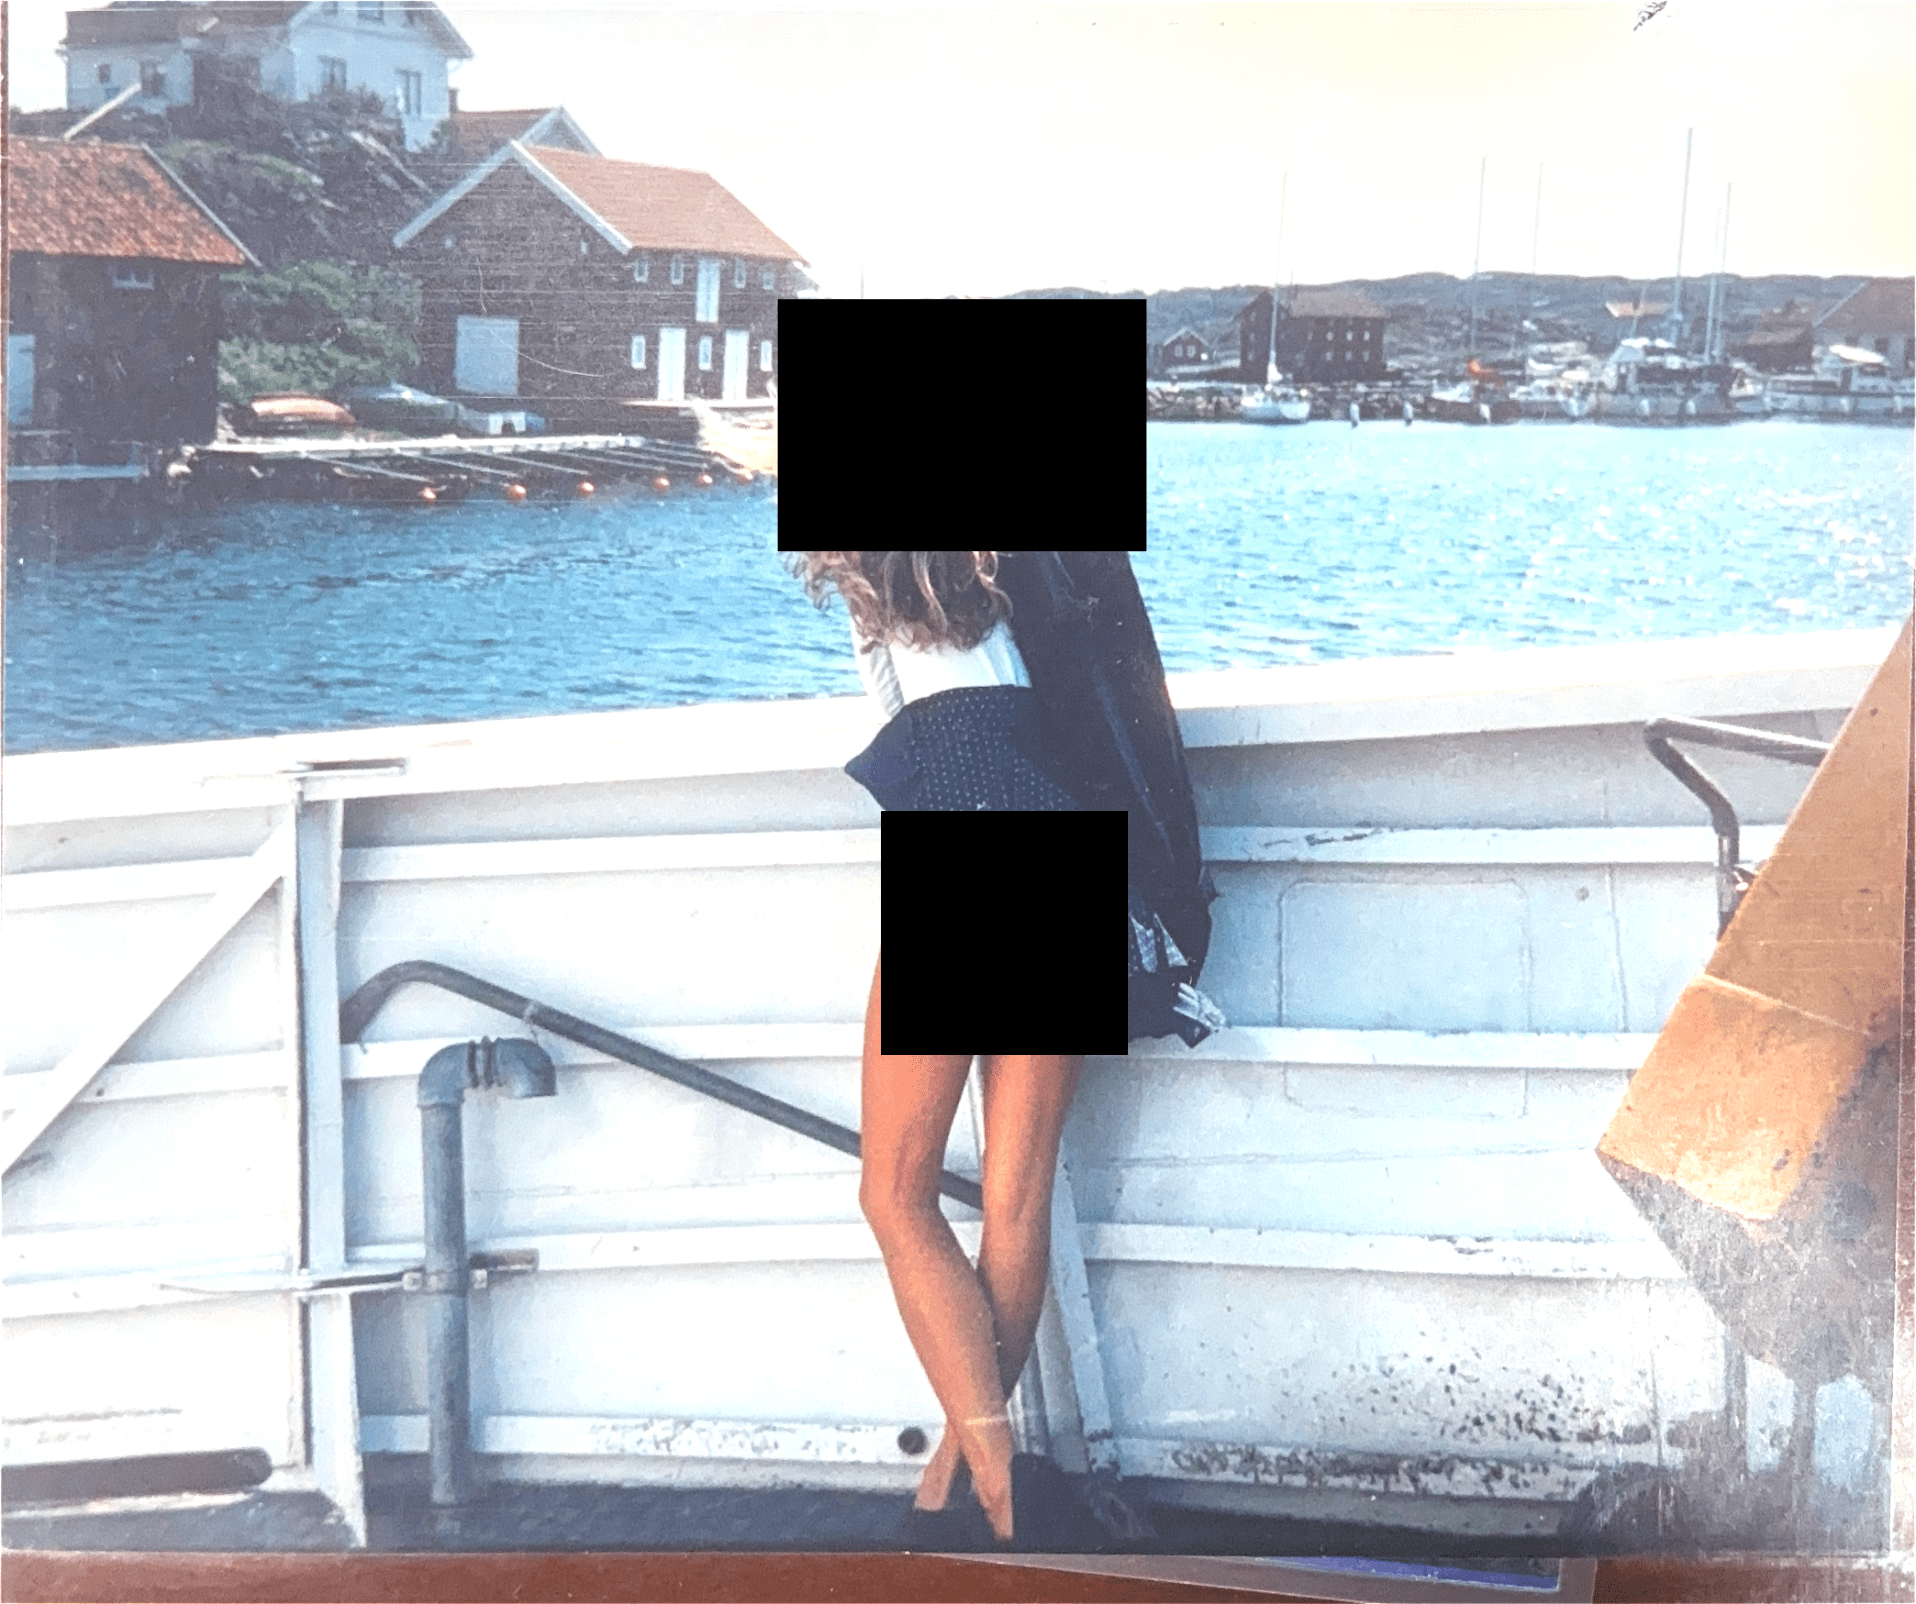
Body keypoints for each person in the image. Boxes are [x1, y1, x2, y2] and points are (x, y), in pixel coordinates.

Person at [782, 550, 1222, 1550]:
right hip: (1065, 842)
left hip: (968, 844)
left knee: (894, 1194)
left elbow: (907, 706)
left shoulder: (890, 568)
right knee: (1015, 1204)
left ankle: (997, 1493)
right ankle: (957, 1487)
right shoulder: (1037, 566)